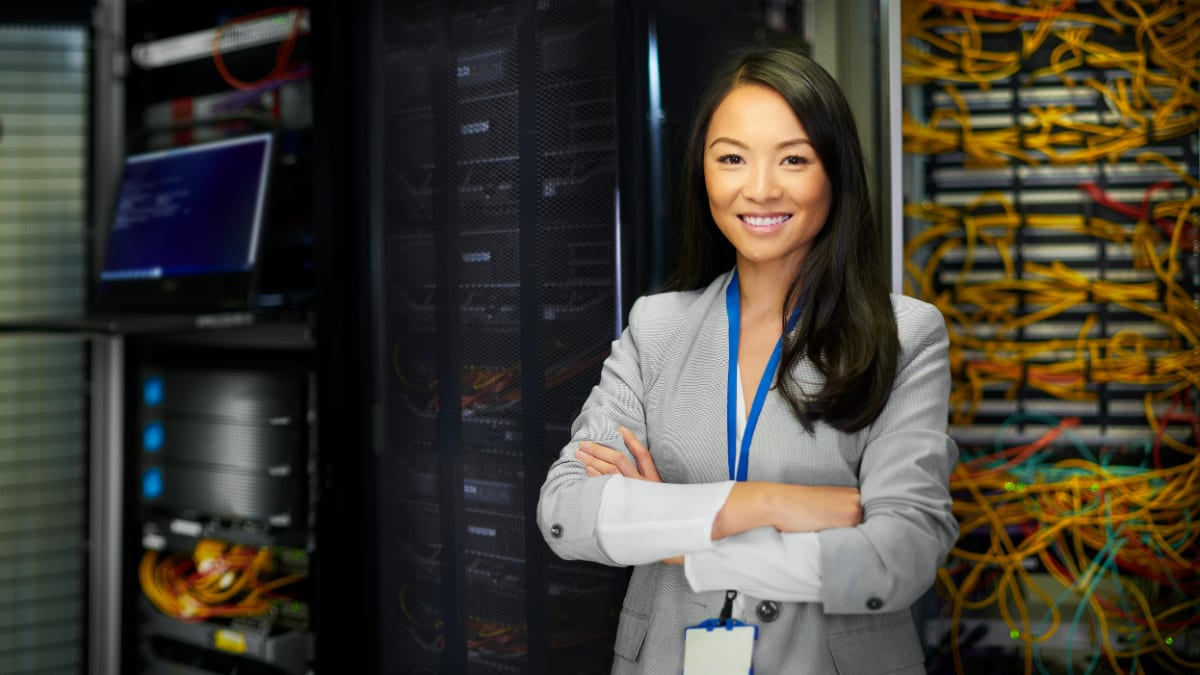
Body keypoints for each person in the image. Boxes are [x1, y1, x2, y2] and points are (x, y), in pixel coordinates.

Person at [537, 46, 958, 674]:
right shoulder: (657, 327)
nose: (759, 189)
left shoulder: (906, 336)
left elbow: (896, 557)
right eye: (731, 158)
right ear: (703, 172)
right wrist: (764, 503)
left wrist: (684, 542)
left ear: (834, 172)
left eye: (793, 159)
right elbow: (566, 512)